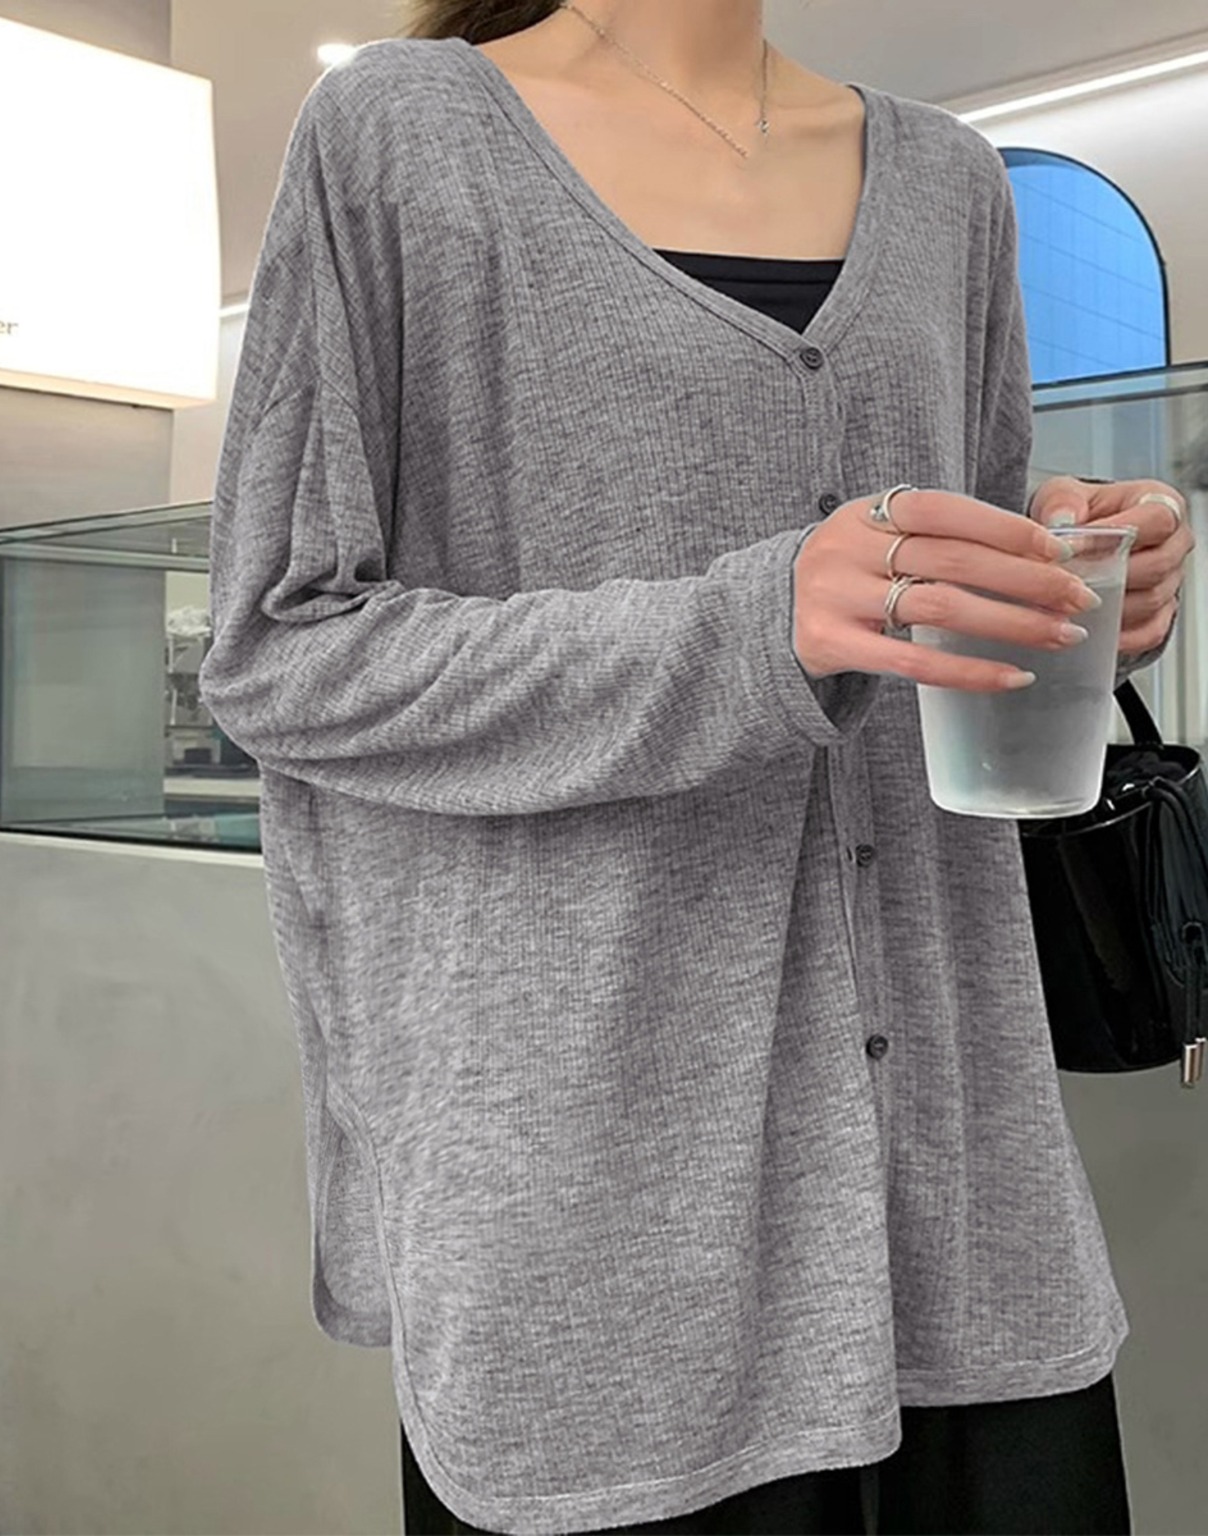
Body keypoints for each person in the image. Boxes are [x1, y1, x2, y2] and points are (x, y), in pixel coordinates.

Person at [199, 2, 1194, 1532]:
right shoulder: (403, 136)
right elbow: (280, 649)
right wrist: (754, 627)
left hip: (960, 1190)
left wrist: (1072, 583)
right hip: (600, 1217)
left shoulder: (951, 183)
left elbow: (953, 602)